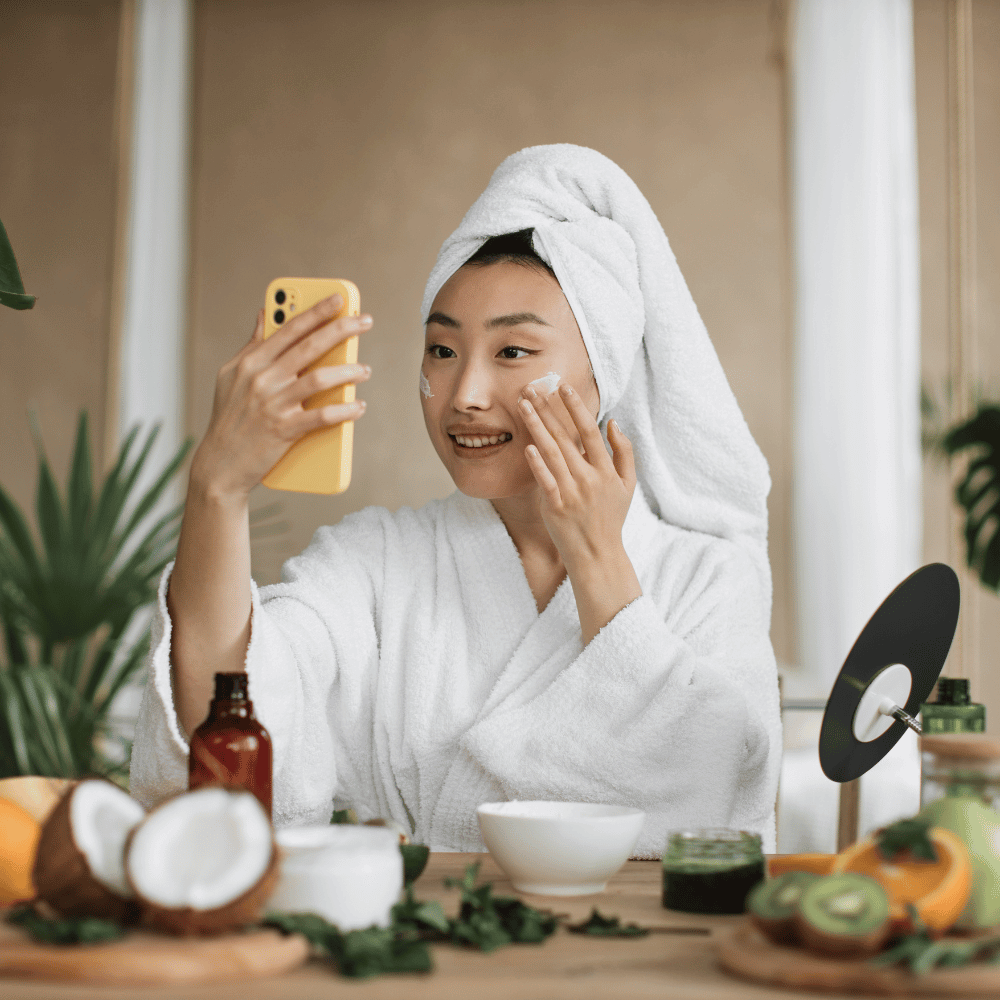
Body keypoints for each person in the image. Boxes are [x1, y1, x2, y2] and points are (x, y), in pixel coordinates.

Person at [130, 144, 782, 856]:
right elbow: (230, 722)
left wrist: (599, 562)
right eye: (442, 351)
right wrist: (216, 490)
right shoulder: (376, 563)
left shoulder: (710, 578)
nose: (465, 395)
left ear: (606, 376)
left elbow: (716, 791)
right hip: (425, 947)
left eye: (512, 353)